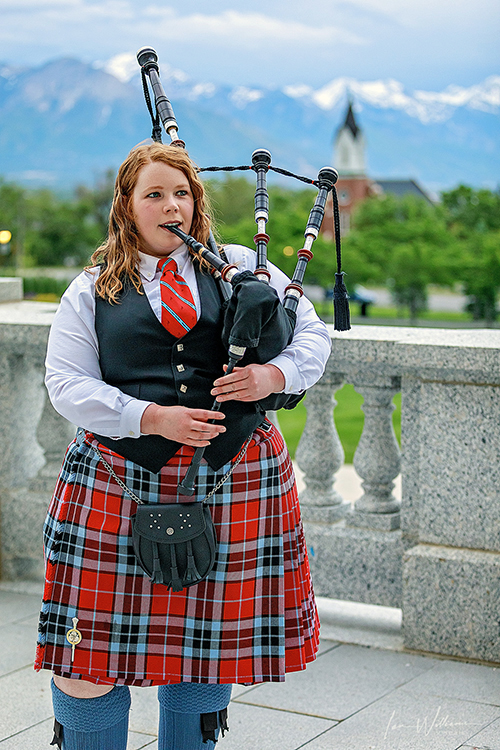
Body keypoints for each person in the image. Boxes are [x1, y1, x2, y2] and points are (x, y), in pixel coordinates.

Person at [35, 142, 331, 750]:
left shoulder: (244, 268)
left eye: (183, 193)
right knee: (84, 661)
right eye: (154, 194)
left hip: (235, 475)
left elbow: (312, 334)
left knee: (205, 656)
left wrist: (272, 377)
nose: (172, 206)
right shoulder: (91, 288)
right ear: (126, 206)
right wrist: (148, 417)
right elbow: (66, 384)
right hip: (117, 480)